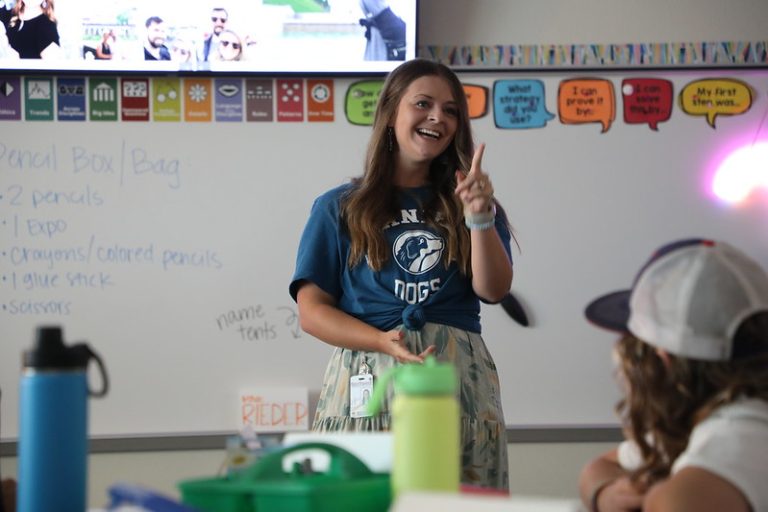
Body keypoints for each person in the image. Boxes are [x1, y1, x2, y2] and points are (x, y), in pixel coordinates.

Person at [289, 58, 514, 490]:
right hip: (368, 377)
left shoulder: (471, 198)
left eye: (451, 111)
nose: (437, 118)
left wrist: (480, 217)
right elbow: (312, 312)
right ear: (391, 112)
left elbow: (494, 289)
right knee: (362, 496)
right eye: (423, 104)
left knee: (459, 498)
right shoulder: (339, 205)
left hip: (456, 378)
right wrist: (379, 341)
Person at [579, 238, 768, 512]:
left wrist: (658, 497)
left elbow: (676, 503)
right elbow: (601, 466)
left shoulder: (739, 436)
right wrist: (605, 493)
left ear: (662, 358)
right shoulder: (715, 411)